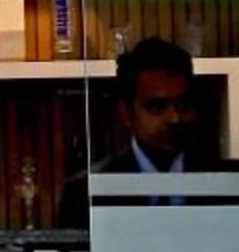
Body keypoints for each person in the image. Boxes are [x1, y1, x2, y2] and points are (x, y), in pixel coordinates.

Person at [59, 38, 201, 229]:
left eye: (183, 105)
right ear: (125, 113)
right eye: (157, 106)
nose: (174, 118)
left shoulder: (226, 182)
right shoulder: (86, 192)